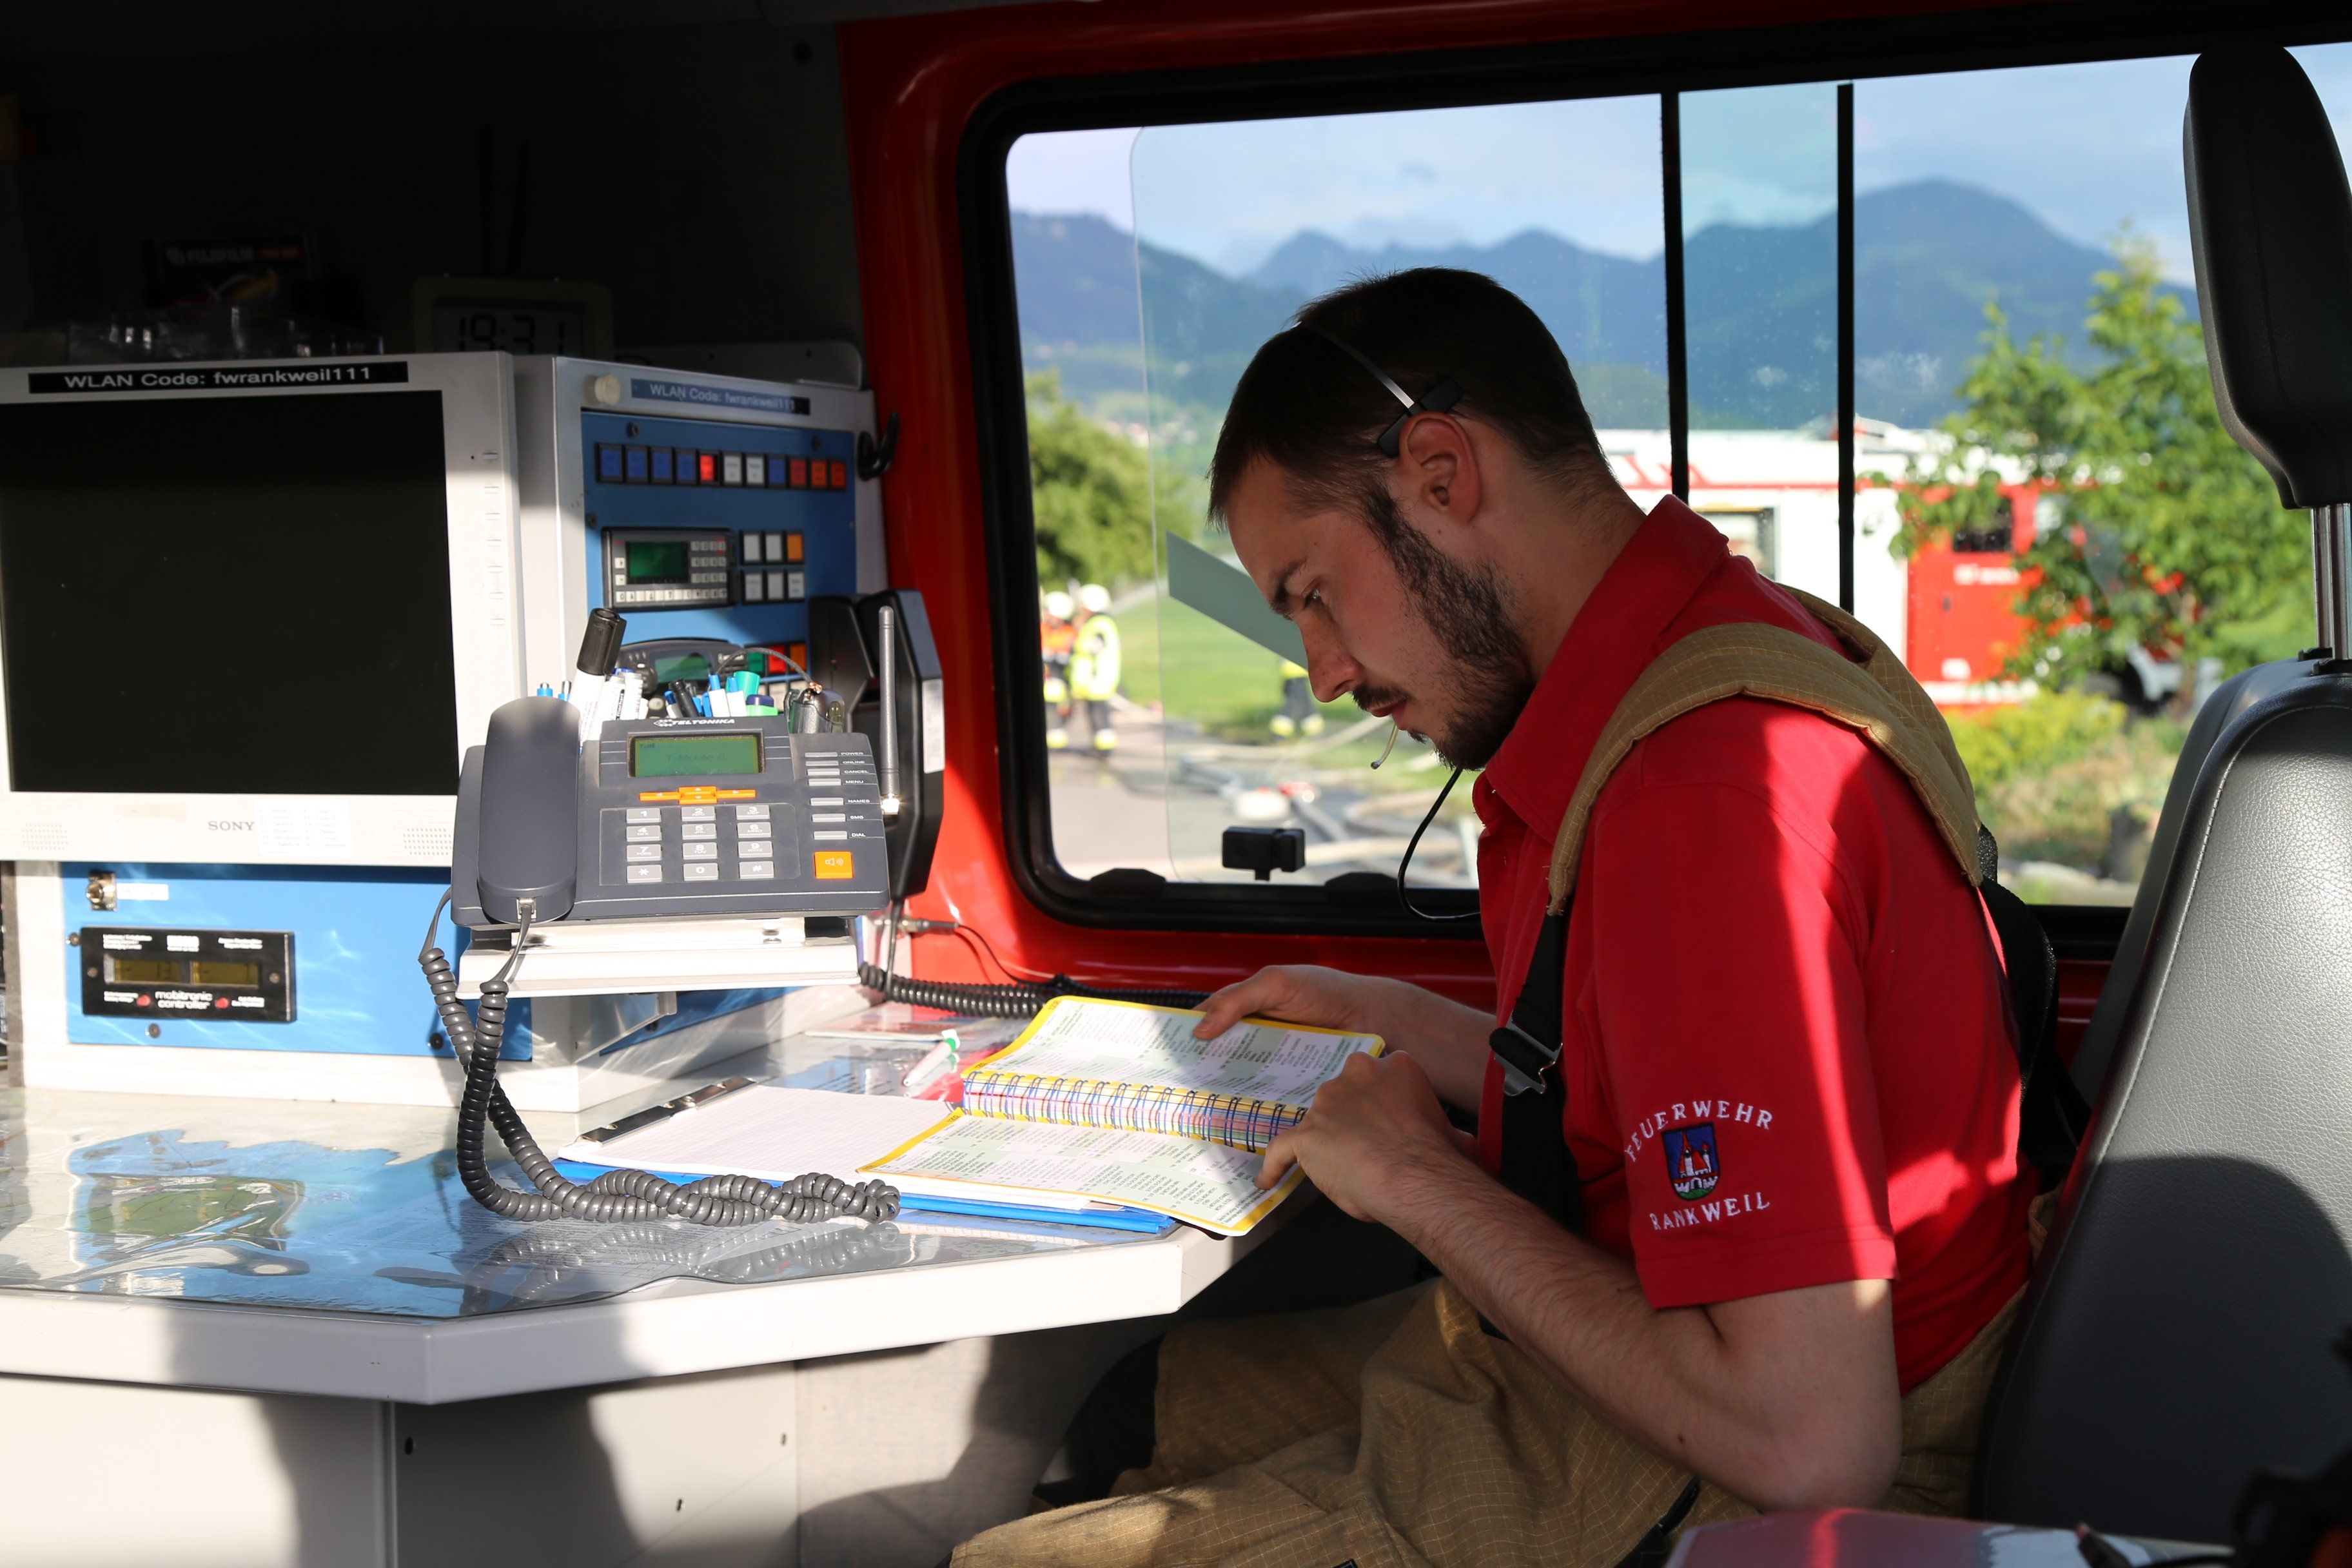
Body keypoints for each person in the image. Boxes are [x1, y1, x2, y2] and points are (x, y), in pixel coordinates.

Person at [952, 268, 2035, 1568]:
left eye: (1312, 591)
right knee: (1137, 1403)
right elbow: (1666, 1089)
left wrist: (1419, 1182)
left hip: (1746, 1472)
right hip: (1668, 1345)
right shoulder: (1731, 643)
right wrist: (1397, 1017)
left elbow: (1809, 1442)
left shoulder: (1700, 794)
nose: (1323, 672)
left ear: (1441, 472)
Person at [1068, 582, 1122, 751]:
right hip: (1094, 681)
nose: (1080, 609)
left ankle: (1104, 749)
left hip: (1097, 680)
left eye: (1083, 605)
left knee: (1099, 715)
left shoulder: (1099, 624)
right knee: (1094, 714)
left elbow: (1094, 648)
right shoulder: (1097, 623)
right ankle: (1099, 746)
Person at [1040, 589, 1077, 750]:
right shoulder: (1043, 629)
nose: (1047, 615)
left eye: (1049, 612)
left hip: (1063, 684)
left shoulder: (1070, 633)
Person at [1268, 656, 1325, 738]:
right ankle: (1278, 734)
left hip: (1293, 670)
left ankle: (1316, 732)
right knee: (1295, 703)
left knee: (1305, 702)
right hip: (1296, 670)